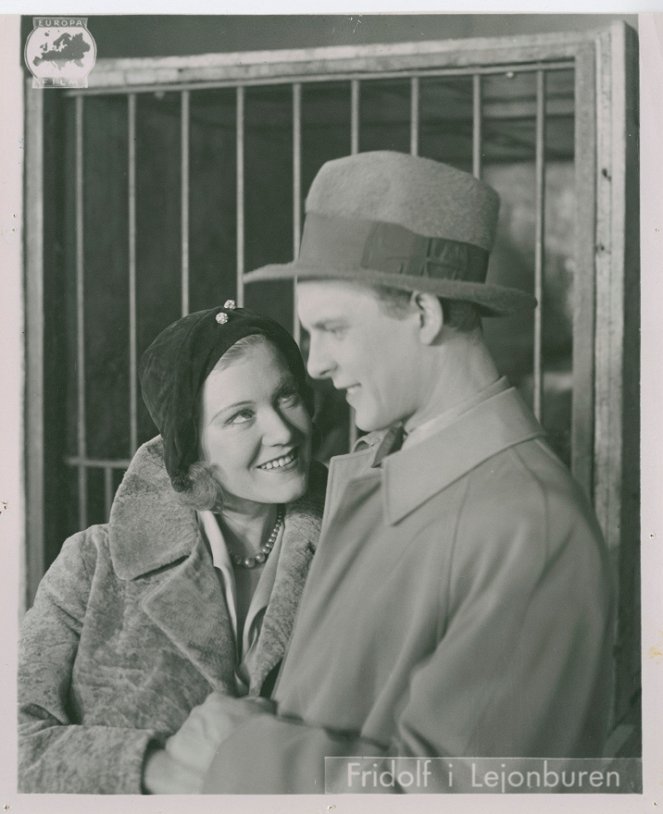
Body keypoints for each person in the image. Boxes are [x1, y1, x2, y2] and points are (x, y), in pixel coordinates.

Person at [162, 151, 615, 794]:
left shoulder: (530, 529)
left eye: (334, 330)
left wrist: (240, 752)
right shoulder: (388, 464)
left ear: (424, 314)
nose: (314, 364)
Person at [18, 302, 326, 794]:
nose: (283, 432)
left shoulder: (355, 544)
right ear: (191, 447)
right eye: (241, 416)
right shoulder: (91, 566)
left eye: (286, 397)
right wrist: (157, 768)